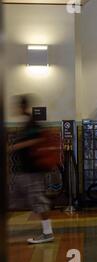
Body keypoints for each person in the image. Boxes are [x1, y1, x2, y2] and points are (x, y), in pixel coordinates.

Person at [9, 95, 54, 244]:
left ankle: (48, 233)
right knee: (16, 200)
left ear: (22, 107)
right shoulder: (27, 122)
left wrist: (17, 146)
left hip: (33, 171)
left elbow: (40, 139)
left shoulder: (32, 122)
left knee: (38, 201)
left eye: (16, 106)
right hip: (25, 171)